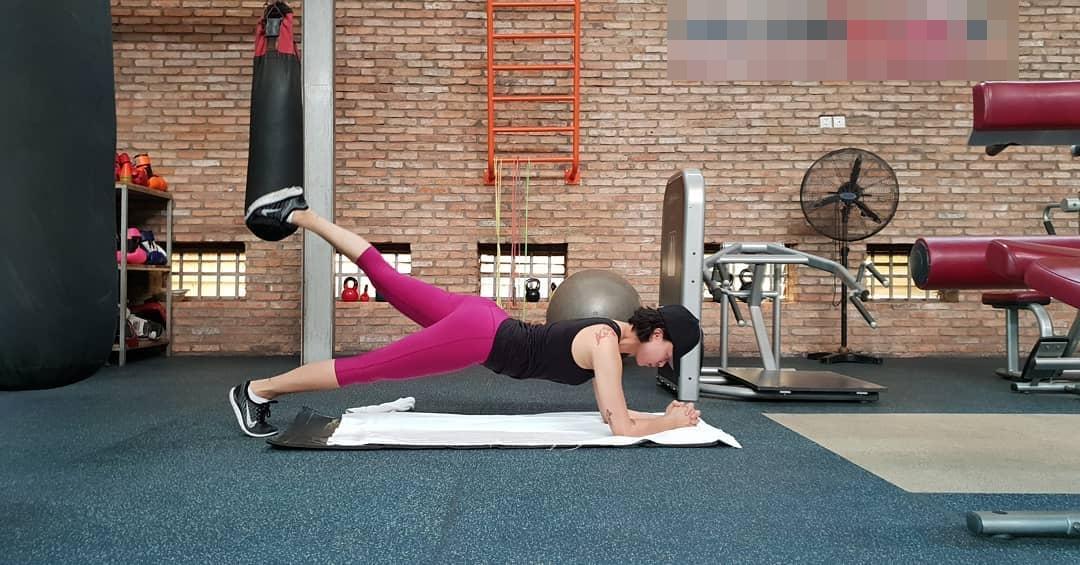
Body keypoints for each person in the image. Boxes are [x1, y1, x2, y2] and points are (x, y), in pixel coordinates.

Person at [230, 192, 703, 438]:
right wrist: (672, 423)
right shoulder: (607, 346)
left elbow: (615, 411)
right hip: (478, 336)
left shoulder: (611, 334)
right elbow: (619, 427)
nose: (664, 362)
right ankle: (256, 391)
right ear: (658, 332)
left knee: (387, 279)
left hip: (482, 315)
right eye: (669, 353)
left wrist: (661, 414)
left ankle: (300, 214)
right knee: (366, 369)